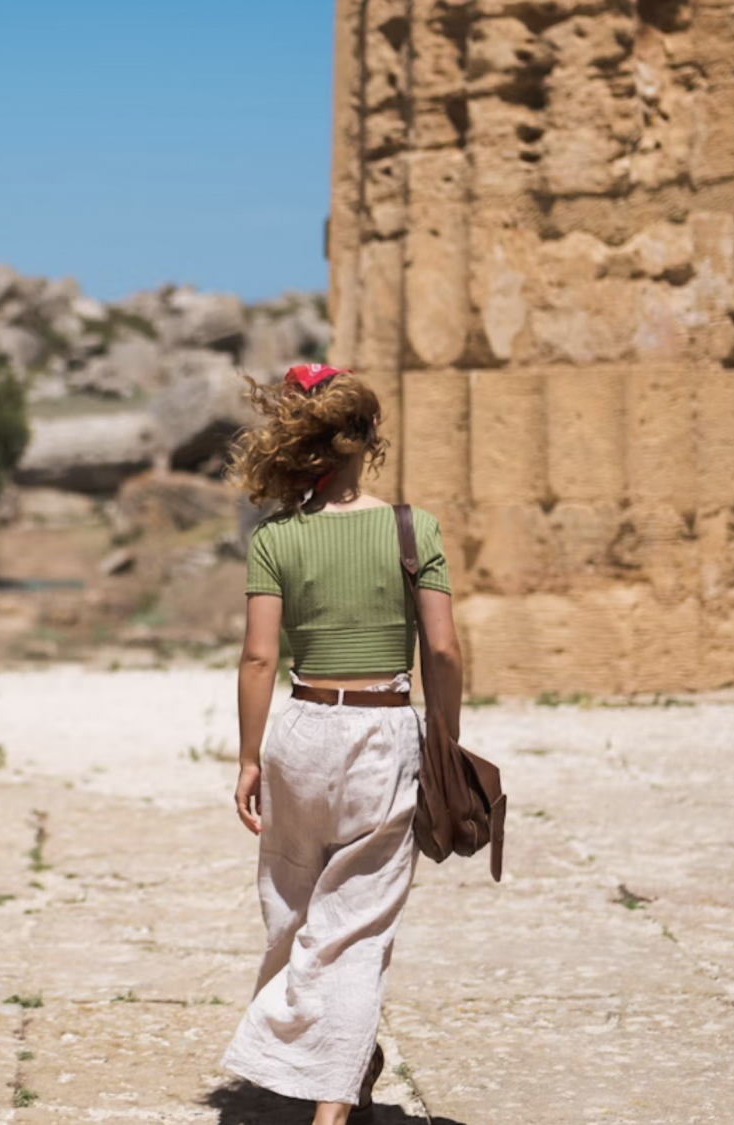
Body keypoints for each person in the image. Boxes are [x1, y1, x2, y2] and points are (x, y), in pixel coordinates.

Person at [218, 363, 462, 1123]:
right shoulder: (413, 529)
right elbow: (444, 651)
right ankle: (333, 1103)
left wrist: (250, 755)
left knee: (293, 908)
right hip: (385, 728)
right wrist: (444, 740)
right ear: (370, 440)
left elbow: (260, 656)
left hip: (301, 728)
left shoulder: (276, 538)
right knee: (358, 925)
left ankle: (334, 1062)